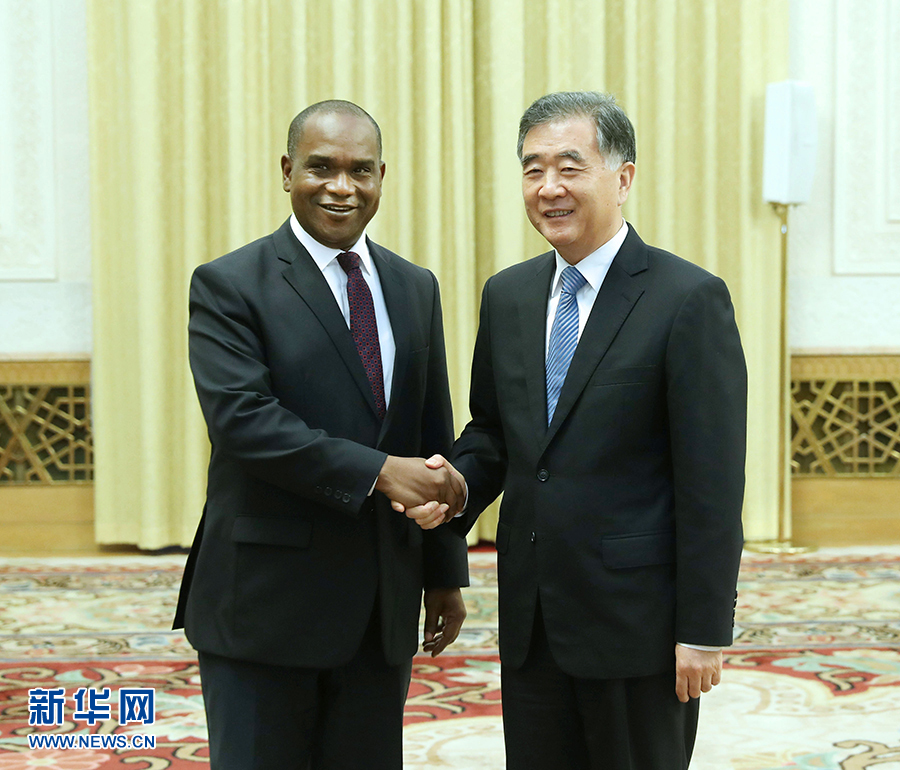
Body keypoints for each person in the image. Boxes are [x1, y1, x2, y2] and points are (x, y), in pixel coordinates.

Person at [406, 91, 747, 768]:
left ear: (623, 178)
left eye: (570, 166)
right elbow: (494, 435)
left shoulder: (687, 299)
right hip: (533, 620)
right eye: (533, 169)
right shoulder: (508, 295)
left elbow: (711, 480)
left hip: (638, 627)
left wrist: (704, 630)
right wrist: (454, 485)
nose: (549, 187)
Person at [173, 99, 469, 770]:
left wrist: (443, 574)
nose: (342, 187)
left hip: (380, 612)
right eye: (321, 167)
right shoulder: (229, 284)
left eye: (360, 170)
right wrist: (379, 471)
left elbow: (431, 433)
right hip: (266, 608)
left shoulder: (414, 286)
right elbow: (245, 422)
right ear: (287, 171)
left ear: (382, 176)